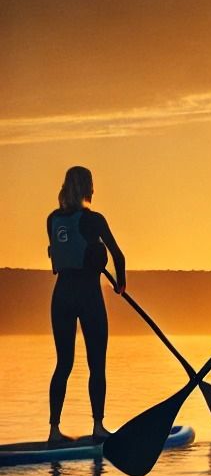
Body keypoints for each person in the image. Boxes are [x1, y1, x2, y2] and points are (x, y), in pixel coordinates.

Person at [46, 166, 126, 444]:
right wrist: (120, 283)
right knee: (97, 364)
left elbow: (56, 256)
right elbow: (118, 255)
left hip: (61, 297)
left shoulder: (52, 219)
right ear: (88, 188)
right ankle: (99, 427)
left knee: (63, 363)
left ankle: (54, 430)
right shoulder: (95, 219)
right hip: (88, 296)